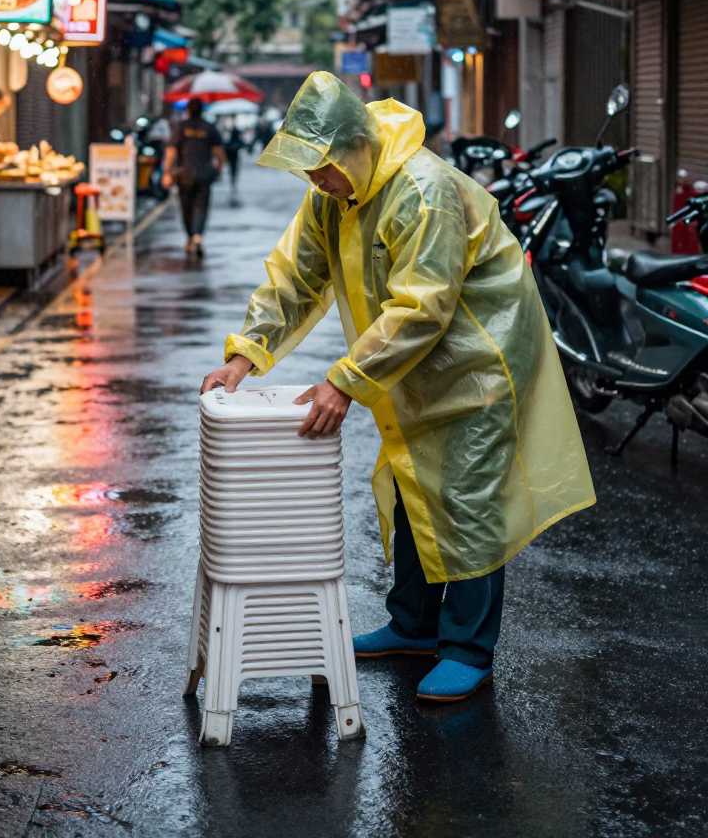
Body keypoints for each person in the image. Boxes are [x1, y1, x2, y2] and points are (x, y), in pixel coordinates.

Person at [202, 72, 595, 704]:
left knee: (466, 495)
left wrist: (345, 382)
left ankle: (467, 648)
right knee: (415, 484)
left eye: (322, 168)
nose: (316, 182)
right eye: (310, 171)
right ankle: (415, 626)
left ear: (354, 149)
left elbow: (424, 307)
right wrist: (246, 355)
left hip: (477, 362)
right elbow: (295, 277)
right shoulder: (335, 194)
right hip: (413, 366)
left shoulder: (423, 190)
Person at [162, 97, 226, 256]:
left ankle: (190, 236)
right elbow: (219, 155)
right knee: (202, 205)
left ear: (188, 110)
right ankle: (198, 236)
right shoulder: (209, 128)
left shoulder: (180, 128)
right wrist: (217, 169)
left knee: (186, 206)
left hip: (185, 174)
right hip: (204, 173)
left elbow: (171, 153)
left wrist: (167, 172)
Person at [224, 123, 244, 190]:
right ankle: (233, 180)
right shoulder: (235, 140)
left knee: (232, 169)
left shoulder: (230, 139)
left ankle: (232, 180)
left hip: (232, 156)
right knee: (234, 169)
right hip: (233, 156)